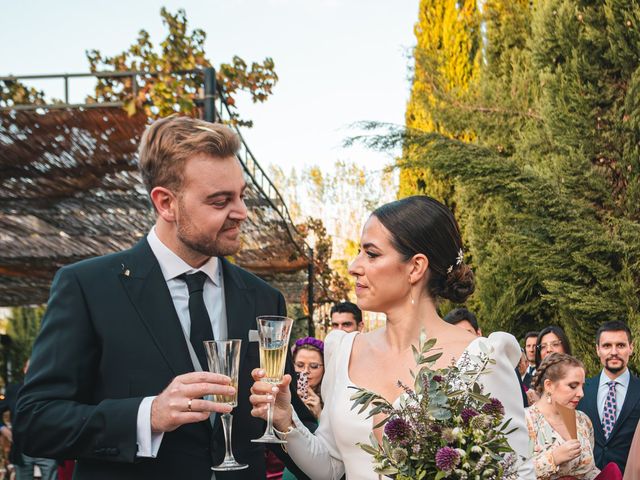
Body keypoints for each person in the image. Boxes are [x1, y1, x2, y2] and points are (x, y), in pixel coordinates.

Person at [13, 116, 312, 480]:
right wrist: (148, 414)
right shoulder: (88, 287)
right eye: (220, 201)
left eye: (241, 195)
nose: (242, 213)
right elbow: (36, 420)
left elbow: (287, 418)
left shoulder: (263, 298)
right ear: (166, 203)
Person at [249, 195, 535, 479]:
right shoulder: (343, 350)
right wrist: (287, 421)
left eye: (371, 254)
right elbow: (331, 468)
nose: (354, 266)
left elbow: (516, 472)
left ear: (415, 267)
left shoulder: (481, 360)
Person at [525, 353, 601, 479]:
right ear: (549, 385)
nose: (581, 393)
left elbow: (590, 470)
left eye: (582, 386)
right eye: (573, 386)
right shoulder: (525, 421)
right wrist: (553, 458)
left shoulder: (583, 420)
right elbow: (512, 473)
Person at [578, 321, 640, 474]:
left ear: (631, 348)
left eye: (620, 345)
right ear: (597, 350)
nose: (614, 352)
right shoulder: (582, 390)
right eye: (607, 346)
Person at [0, 360, 57, 480]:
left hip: (48, 448)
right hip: (22, 449)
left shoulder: (52, 389)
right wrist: (2, 428)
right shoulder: (13, 390)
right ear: (24, 369)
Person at [528, 326, 573, 404]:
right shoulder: (532, 392)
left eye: (555, 344)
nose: (549, 350)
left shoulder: (578, 382)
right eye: (543, 346)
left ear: (565, 348)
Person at [292, 337, 325, 419]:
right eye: (300, 365)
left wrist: (319, 415)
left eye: (314, 366)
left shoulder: (331, 400)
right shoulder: (284, 393)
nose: (306, 371)